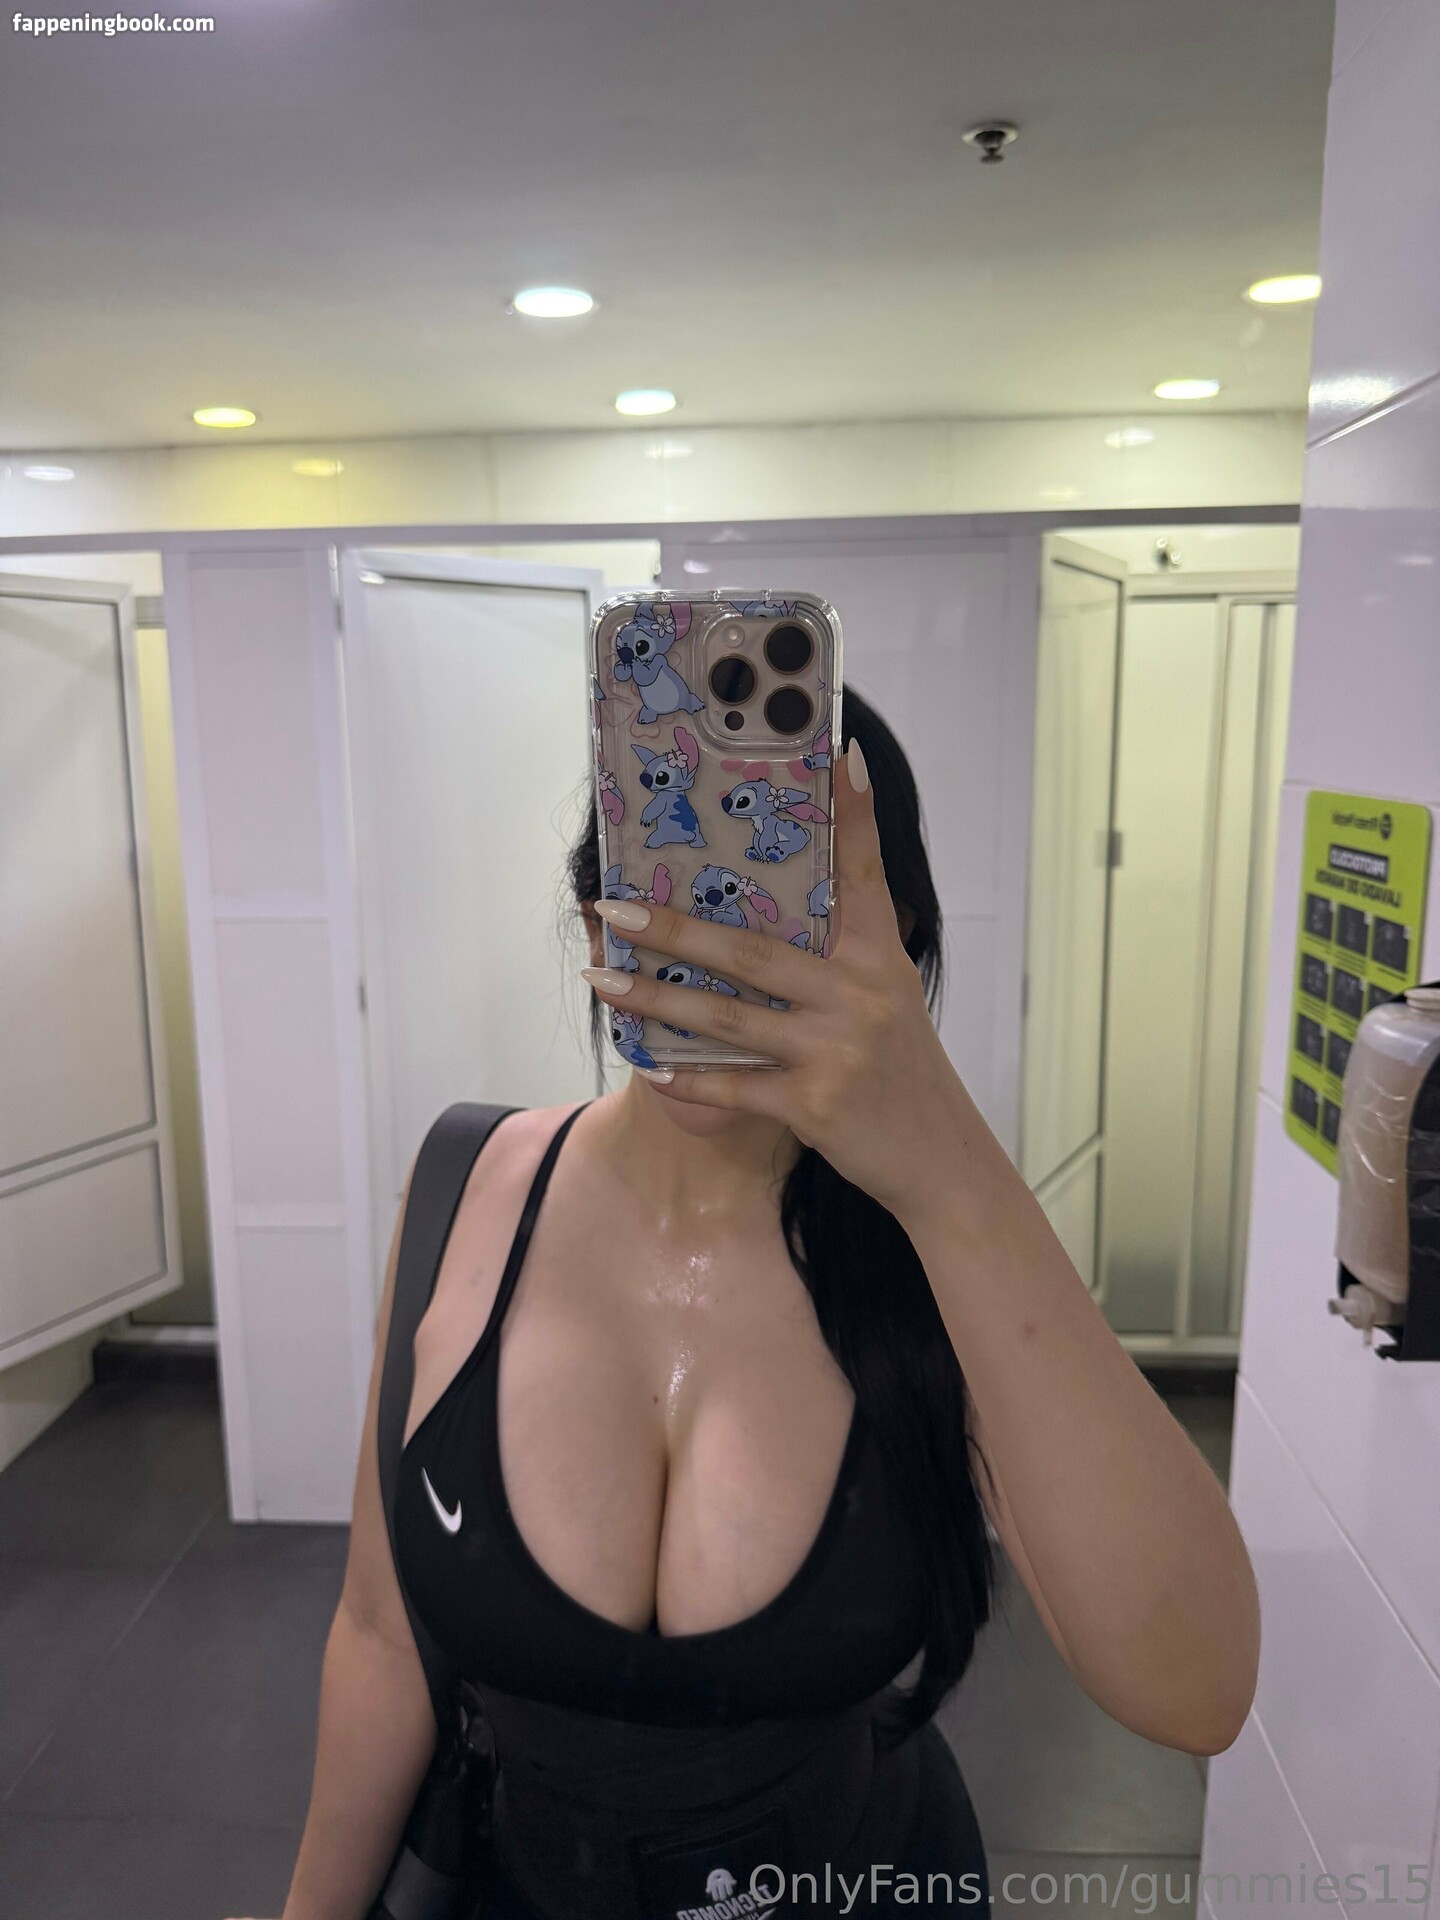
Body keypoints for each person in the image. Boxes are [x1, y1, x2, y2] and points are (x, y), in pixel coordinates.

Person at [259, 690, 1259, 1920]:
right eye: (677, 896)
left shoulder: (941, 1254)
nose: (719, 969)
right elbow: (379, 1637)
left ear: (893, 955)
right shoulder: (463, 1190)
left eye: (784, 912)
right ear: (600, 917)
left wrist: (949, 1167)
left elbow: (1198, 1688)